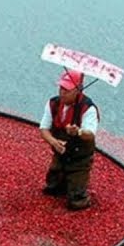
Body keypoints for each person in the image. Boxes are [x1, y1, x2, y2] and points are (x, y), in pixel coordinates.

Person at [39, 69, 100, 210]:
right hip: (60, 153)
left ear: (78, 90)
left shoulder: (88, 108)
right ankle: (62, 180)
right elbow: (44, 129)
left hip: (80, 157)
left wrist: (78, 132)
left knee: (76, 200)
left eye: (67, 89)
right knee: (52, 187)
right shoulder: (53, 104)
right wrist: (54, 142)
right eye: (61, 88)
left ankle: (80, 192)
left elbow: (90, 134)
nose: (62, 92)